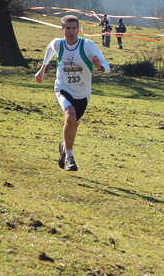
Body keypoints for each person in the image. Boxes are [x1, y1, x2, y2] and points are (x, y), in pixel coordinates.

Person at [35, 15, 110, 171]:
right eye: (68, 28)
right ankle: (70, 157)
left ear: (78, 29)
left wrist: (99, 66)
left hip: (83, 92)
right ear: (62, 30)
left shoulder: (87, 46)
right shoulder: (59, 44)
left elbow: (107, 67)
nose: (71, 32)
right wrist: (43, 69)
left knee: (73, 125)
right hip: (63, 88)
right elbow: (50, 47)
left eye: (74, 28)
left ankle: (64, 147)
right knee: (70, 117)